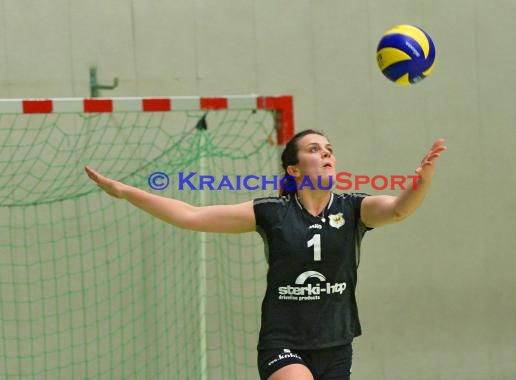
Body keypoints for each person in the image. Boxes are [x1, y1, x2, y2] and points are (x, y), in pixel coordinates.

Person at [85, 129, 446, 380]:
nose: (326, 154)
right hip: (284, 343)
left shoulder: (354, 209)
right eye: (314, 149)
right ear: (293, 169)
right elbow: (191, 215)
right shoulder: (272, 212)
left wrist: (424, 180)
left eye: (329, 149)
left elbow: (399, 209)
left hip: (336, 343)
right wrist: (125, 192)